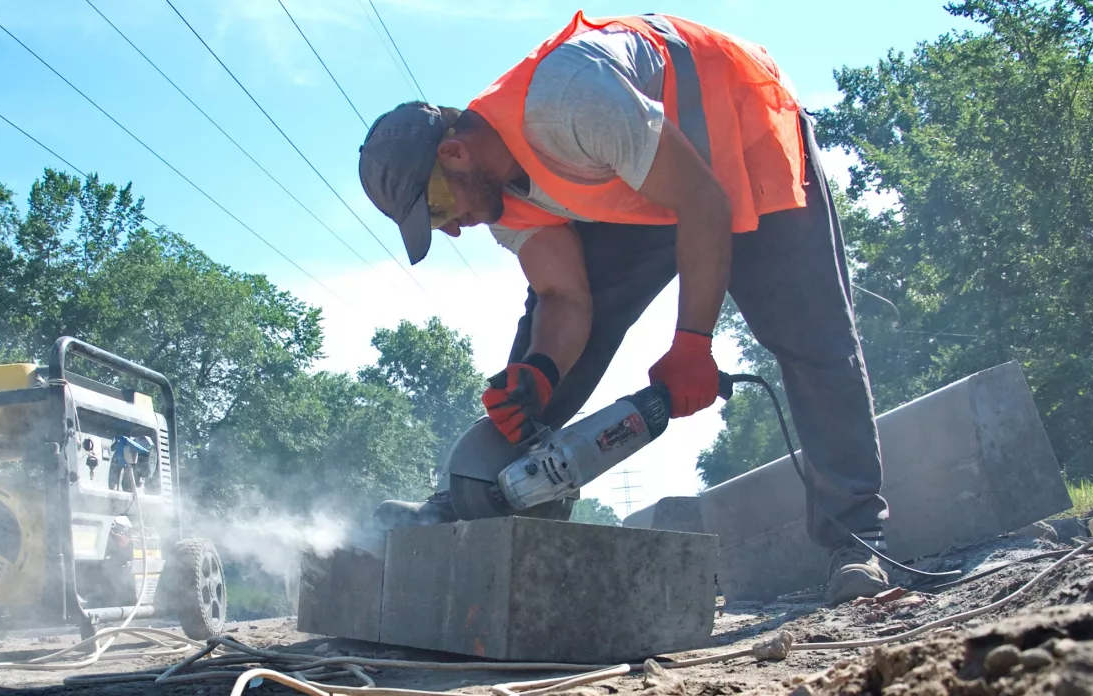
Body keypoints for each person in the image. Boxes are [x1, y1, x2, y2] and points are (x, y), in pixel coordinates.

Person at [357, 12, 892, 604]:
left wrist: (693, 343)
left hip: (744, 134)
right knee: (542, 345)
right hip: (650, 178)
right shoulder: (501, 200)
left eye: (436, 209)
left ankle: (858, 543)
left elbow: (704, 202)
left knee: (811, 338)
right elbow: (567, 297)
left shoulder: (570, 101)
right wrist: (540, 371)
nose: (451, 230)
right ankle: (473, 497)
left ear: (456, 153)